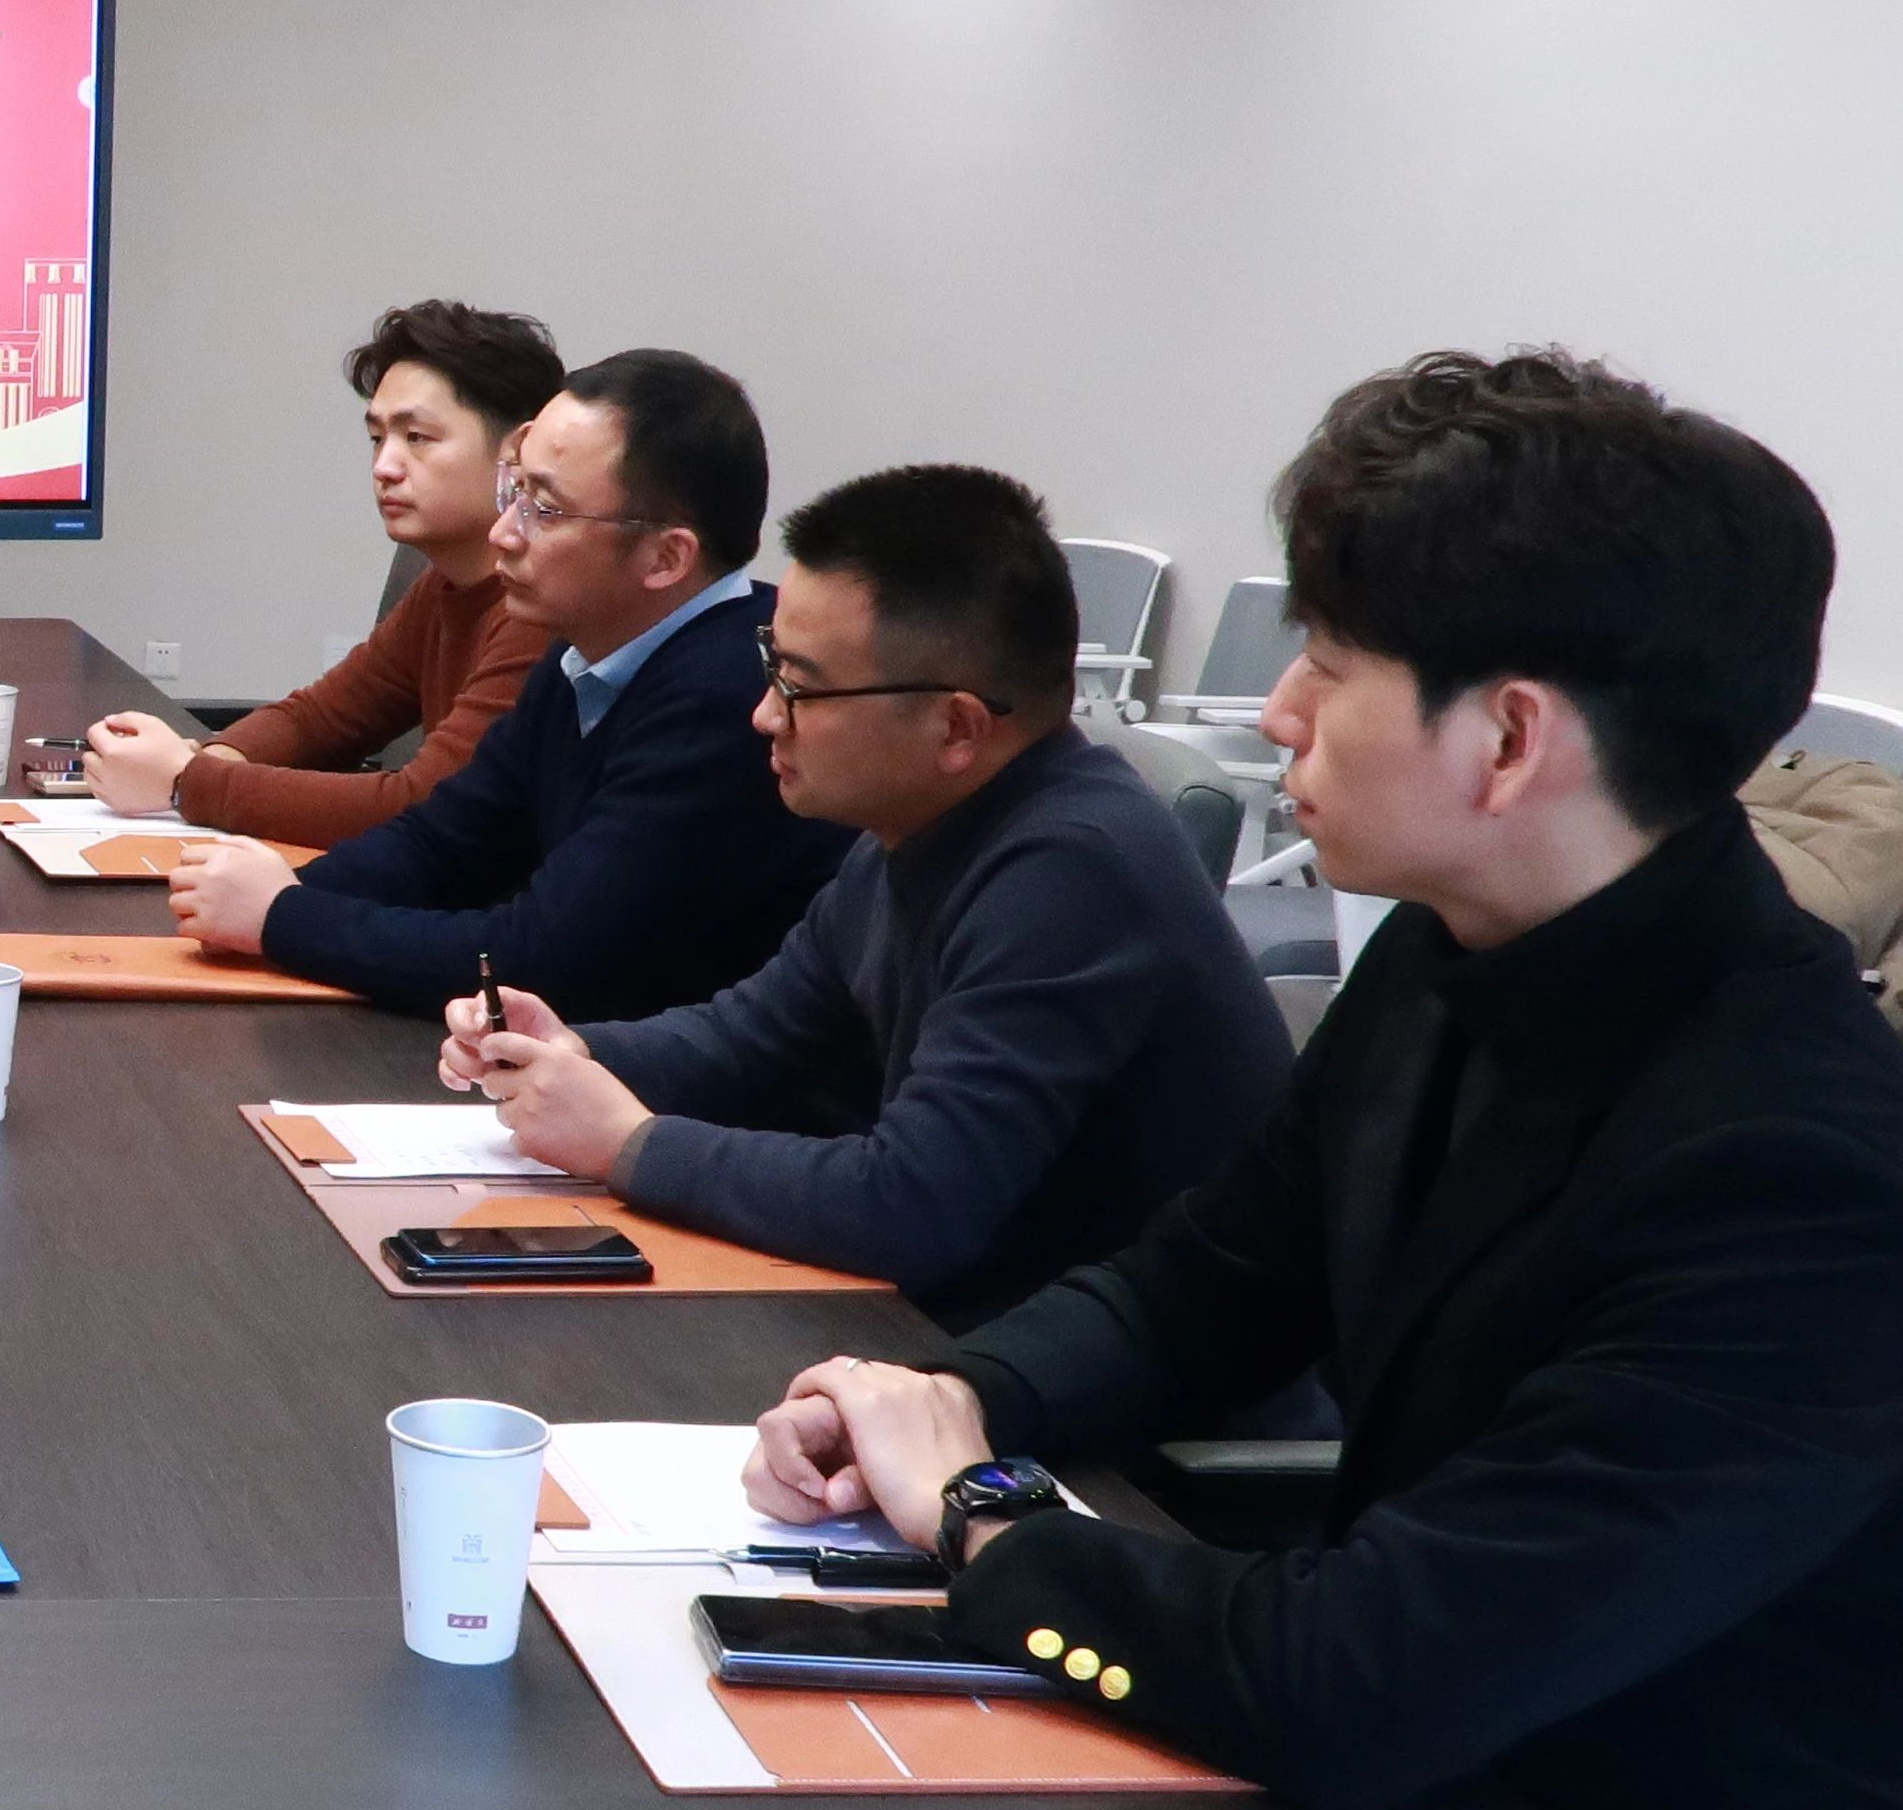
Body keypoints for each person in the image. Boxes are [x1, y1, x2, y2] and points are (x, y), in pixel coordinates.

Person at [744, 352, 1903, 1810]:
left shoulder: (1794, 1179)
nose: (1278, 712)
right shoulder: (1456, 955)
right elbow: (1204, 1283)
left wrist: (982, 1514)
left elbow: (1358, 1690)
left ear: (1506, 740)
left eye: (1328, 660)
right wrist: (943, 1396)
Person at [436, 465, 1284, 1321]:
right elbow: (749, 1037)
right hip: (964, 1331)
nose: (765, 715)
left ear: (956, 726)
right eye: (772, 666)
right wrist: (574, 1051)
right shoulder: (917, 824)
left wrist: (627, 1142)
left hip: (1097, 1380)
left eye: (800, 687)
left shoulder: (1073, 872)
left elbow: (911, 1204)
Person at [174, 347, 846, 1020]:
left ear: (666, 557)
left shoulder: (726, 697)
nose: (504, 532)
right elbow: (443, 844)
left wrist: (283, 917)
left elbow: (547, 960)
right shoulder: (581, 653)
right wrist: (273, 895)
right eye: (515, 491)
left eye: (544, 510)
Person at [83, 301, 563, 844]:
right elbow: (318, 719)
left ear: (517, 453)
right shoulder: (443, 586)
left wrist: (184, 781)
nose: (384, 466)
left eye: (417, 438)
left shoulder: (544, 604)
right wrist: (203, 761)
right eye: (377, 438)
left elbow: (426, 806)